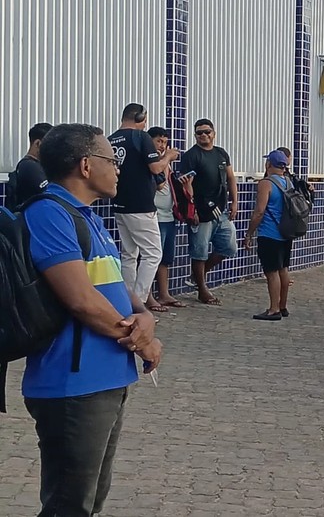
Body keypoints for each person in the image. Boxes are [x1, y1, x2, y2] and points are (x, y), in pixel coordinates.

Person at [22, 123, 162, 516]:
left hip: (107, 376)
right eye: (111, 159)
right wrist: (142, 340)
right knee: (68, 504)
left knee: (91, 499)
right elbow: (82, 301)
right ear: (86, 165)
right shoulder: (49, 214)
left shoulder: (88, 218)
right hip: (72, 384)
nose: (118, 167)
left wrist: (145, 316)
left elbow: (118, 289)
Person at [108, 103, 179, 310]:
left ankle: (125, 300)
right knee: (153, 253)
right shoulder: (141, 137)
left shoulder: (111, 139)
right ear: (140, 117)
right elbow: (156, 166)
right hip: (140, 205)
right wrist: (168, 157)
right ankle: (138, 302)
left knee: (129, 254)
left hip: (120, 203)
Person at [180, 118, 238, 306]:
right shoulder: (191, 156)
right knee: (199, 251)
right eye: (199, 133)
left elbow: (230, 177)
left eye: (207, 131)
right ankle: (202, 290)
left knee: (229, 247)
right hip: (201, 212)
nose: (203, 135)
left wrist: (234, 201)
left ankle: (199, 275)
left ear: (213, 133)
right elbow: (185, 185)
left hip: (221, 210)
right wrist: (192, 208)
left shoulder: (221, 153)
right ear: (195, 135)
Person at [245, 150, 295, 321]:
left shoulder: (265, 184)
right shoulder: (288, 182)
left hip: (269, 234)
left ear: (268, 165)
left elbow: (259, 212)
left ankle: (273, 309)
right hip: (285, 234)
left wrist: (249, 233)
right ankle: (283, 306)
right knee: (283, 269)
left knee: (271, 272)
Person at [147, 127, 186, 311]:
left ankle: (164, 293)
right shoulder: (151, 161)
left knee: (165, 258)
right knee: (150, 257)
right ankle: (147, 296)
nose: (162, 145)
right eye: (158, 141)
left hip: (169, 214)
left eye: (164, 142)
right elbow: (159, 183)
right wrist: (167, 158)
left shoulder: (163, 161)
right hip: (154, 215)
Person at [4, 122, 52, 210]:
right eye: (51, 146)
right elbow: (50, 193)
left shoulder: (36, 165)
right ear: (38, 143)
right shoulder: (29, 167)